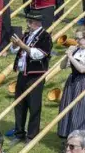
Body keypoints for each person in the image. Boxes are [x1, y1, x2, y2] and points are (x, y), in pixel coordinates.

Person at [9, 13, 52, 141]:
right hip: (23, 74)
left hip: (35, 76)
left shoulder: (45, 36)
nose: (28, 24)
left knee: (34, 106)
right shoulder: (27, 34)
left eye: (30, 22)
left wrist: (23, 46)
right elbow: (15, 51)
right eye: (28, 21)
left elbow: (39, 54)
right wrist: (15, 45)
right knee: (19, 104)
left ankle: (32, 135)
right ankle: (19, 132)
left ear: (37, 23)